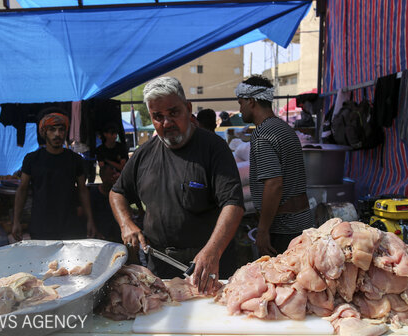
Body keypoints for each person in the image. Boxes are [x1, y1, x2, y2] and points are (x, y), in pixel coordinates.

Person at [110, 76, 245, 293]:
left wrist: (213, 251)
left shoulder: (213, 148)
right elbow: (117, 192)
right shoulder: (144, 153)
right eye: (158, 116)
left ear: (188, 109)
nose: (167, 123)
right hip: (159, 265)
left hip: (207, 265)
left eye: (173, 113)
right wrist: (126, 223)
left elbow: (234, 204)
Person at [235, 75, 313, 256]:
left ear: (251, 101)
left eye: (241, 103)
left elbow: (274, 184)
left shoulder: (262, 134)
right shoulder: (283, 128)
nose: (240, 110)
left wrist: (262, 231)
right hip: (300, 220)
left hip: (283, 228)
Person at [12, 112, 97, 241]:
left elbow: (82, 190)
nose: (57, 134)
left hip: (70, 225)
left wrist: (90, 220)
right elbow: (22, 189)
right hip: (41, 226)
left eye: (61, 130)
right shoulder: (32, 159)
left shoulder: (75, 160)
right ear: (44, 132)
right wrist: (16, 221)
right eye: (52, 129)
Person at [89, 163, 122, 243]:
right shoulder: (93, 194)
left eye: (115, 174)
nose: (114, 177)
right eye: (111, 175)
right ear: (102, 177)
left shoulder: (119, 194)